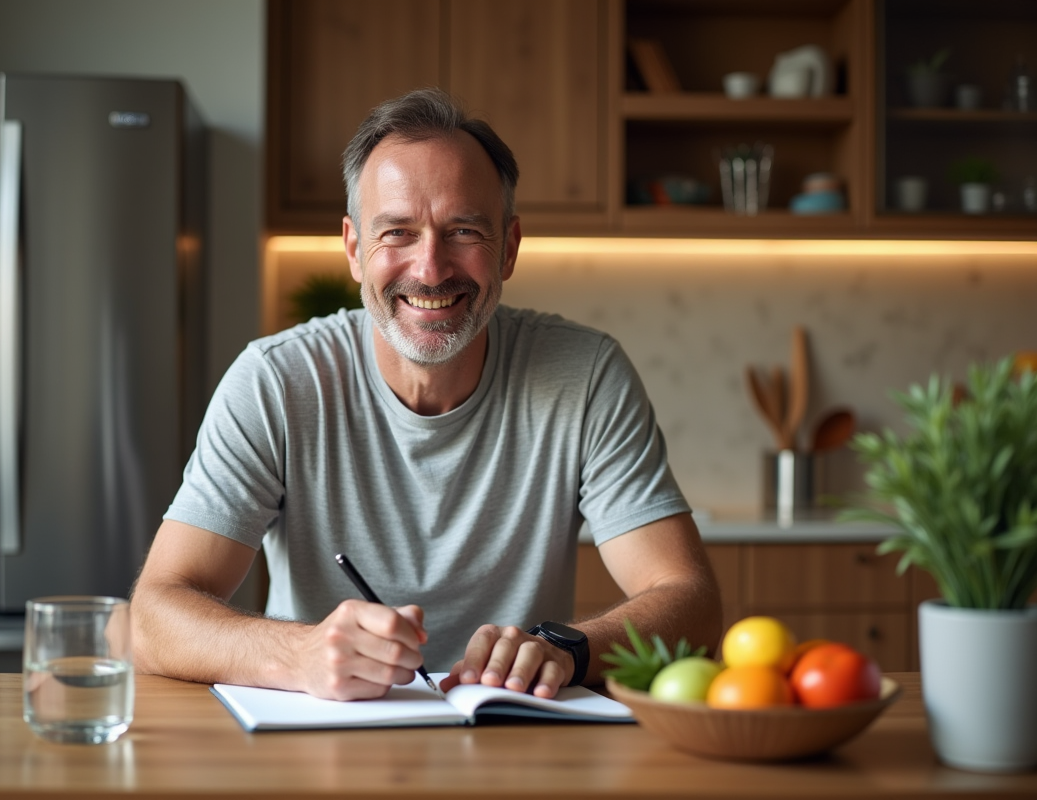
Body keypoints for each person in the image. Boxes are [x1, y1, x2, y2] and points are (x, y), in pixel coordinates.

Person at [131, 88, 721, 701]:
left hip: (515, 739)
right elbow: (154, 616)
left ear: (510, 247)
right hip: (321, 747)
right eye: (397, 233)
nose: (431, 268)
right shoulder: (275, 382)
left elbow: (691, 602)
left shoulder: (587, 374)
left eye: (463, 230)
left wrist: (569, 648)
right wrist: (297, 652)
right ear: (355, 249)